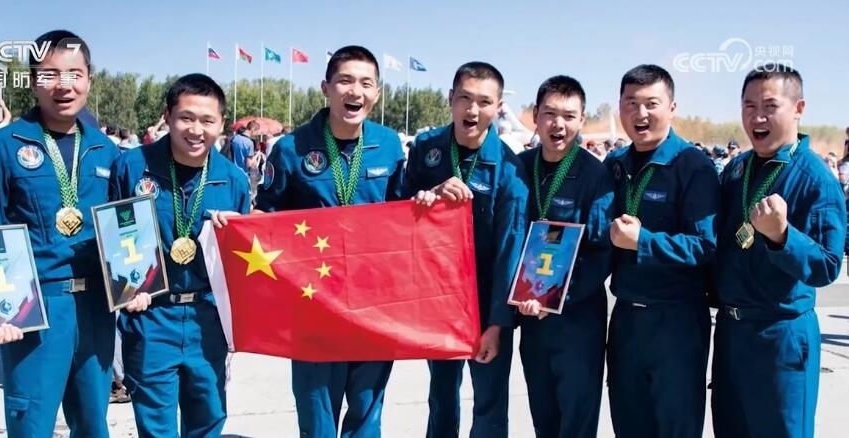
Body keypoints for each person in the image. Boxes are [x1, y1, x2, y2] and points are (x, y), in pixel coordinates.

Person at [0, 29, 119, 437]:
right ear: (33, 81)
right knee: (31, 422)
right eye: (50, 75)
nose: (64, 85)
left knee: (93, 424)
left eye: (74, 74)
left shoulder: (106, 150)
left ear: (89, 79)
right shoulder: (0, 146)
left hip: (97, 308)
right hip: (35, 309)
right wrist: (0, 308)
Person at [254, 45, 406, 437]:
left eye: (366, 83)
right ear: (326, 88)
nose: (355, 91)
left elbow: (405, 219)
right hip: (313, 304)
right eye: (345, 81)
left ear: (377, 93)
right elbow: (266, 220)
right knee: (317, 416)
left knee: (367, 415)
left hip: (374, 304)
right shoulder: (291, 149)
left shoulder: (389, 145)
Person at [110, 73, 249, 437]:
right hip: (151, 316)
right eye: (186, 117)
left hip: (208, 320)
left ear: (221, 123)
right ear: (167, 116)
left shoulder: (233, 179)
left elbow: (244, 261)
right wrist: (126, 289)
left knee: (209, 419)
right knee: (156, 426)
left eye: (207, 120)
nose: (196, 130)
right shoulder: (132, 167)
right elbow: (113, 234)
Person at [711, 64, 846, 438]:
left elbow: (828, 265)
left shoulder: (815, 179)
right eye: (749, 106)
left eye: (770, 106)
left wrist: (783, 236)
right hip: (731, 332)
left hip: (780, 335)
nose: (757, 117)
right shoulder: (736, 170)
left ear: (798, 108)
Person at [404, 61, 527, 437]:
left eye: (484, 102)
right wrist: (426, 197)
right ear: (450, 99)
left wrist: (497, 324)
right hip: (438, 297)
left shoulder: (509, 168)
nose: (473, 110)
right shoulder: (426, 149)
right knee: (441, 396)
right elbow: (399, 214)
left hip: (486, 301)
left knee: (489, 401)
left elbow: (509, 249)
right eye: (464, 99)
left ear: (499, 107)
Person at [603, 64, 718, 438]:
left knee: (676, 424)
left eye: (651, 103)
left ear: (672, 107)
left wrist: (644, 241)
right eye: (631, 103)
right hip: (626, 318)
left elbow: (705, 245)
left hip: (676, 321)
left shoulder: (693, 166)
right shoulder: (615, 164)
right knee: (629, 422)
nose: (640, 114)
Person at [514, 75, 614, 438]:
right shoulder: (519, 167)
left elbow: (601, 252)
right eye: (550, 114)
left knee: (576, 421)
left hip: (576, 321)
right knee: (544, 417)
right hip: (530, 317)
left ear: (582, 120)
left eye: (569, 116)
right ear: (535, 116)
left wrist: (555, 298)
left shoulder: (595, 175)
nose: (559, 124)